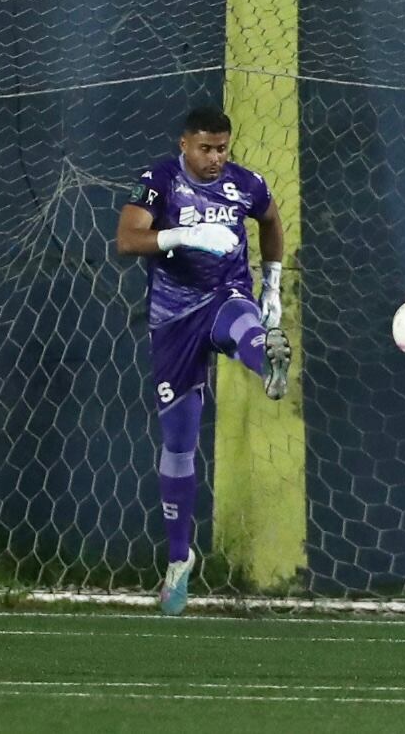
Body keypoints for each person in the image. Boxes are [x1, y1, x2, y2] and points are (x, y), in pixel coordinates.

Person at [116, 106, 292, 615]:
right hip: (173, 321)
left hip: (225, 296)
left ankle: (268, 363)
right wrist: (182, 235)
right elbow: (127, 239)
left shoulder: (246, 184)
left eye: (222, 149)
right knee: (179, 446)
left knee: (244, 325)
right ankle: (178, 559)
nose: (215, 159)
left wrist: (273, 285)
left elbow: (271, 219)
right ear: (184, 145)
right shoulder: (159, 180)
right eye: (206, 149)